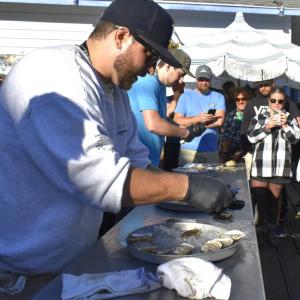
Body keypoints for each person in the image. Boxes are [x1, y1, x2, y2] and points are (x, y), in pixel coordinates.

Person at [0, 0, 233, 276]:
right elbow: (100, 180)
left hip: (74, 260)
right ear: (121, 37)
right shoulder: (53, 73)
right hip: (23, 272)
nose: (149, 68)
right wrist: (187, 188)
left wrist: (180, 195)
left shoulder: (115, 91)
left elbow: (136, 160)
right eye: (148, 55)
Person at [128, 48, 203, 167]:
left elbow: (162, 118)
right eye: (180, 75)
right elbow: (154, 124)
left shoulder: (160, 84)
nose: (181, 80)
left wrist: (183, 127)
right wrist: (185, 132)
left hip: (149, 160)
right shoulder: (148, 82)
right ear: (168, 66)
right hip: (138, 162)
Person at [247, 87, 300, 238]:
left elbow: (295, 139)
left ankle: (272, 228)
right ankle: (258, 227)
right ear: (268, 101)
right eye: (273, 100)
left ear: (284, 102)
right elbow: (251, 137)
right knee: (259, 199)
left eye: (280, 101)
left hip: (281, 167)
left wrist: (284, 126)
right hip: (261, 166)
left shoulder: (290, 118)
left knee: (274, 200)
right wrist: (267, 126)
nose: (276, 103)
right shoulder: (260, 116)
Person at [173, 64, 226, 165]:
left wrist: (197, 124)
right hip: (188, 149)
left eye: (206, 79)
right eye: (201, 79)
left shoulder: (219, 96)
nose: (204, 82)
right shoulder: (185, 96)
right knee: (187, 180)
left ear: (210, 80)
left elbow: (220, 121)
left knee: (210, 180)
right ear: (196, 79)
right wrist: (198, 118)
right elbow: (177, 120)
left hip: (211, 149)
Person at [220, 87, 249, 162]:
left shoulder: (252, 114)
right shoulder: (231, 114)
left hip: (246, 154)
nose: (240, 101)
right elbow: (224, 133)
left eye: (244, 99)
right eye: (237, 99)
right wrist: (225, 145)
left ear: (248, 100)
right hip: (230, 154)